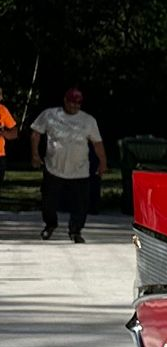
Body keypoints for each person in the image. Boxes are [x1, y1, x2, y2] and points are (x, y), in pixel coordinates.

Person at [31, 86, 104, 242]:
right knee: (48, 202)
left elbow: (97, 143)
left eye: (78, 104)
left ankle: (75, 231)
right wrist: (35, 154)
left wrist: (103, 162)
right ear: (65, 100)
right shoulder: (50, 115)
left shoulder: (88, 120)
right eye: (71, 103)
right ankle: (50, 225)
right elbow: (36, 134)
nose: (74, 106)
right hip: (54, 167)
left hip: (79, 170)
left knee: (80, 204)